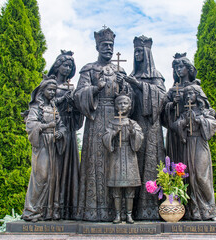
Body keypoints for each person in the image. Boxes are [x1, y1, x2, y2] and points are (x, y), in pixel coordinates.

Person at [74, 27, 131, 221]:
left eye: (111, 45)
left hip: (117, 120)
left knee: (117, 162)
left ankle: (120, 212)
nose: (108, 48)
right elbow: (78, 95)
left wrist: (124, 86)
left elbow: (129, 100)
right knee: (95, 161)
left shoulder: (120, 70)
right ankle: (94, 210)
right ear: (97, 46)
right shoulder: (89, 69)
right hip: (96, 118)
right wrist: (95, 88)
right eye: (104, 45)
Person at [121, 35, 166, 220]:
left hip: (151, 125)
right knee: (135, 162)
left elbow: (161, 97)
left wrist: (138, 85)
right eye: (136, 51)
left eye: (140, 51)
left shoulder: (156, 75)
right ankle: (132, 209)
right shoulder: (132, 75)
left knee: (151, 161)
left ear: (147, 53)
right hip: (136, 121)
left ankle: (152, 207)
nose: (137, 54)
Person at [170, 84, 216, 221]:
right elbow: (174, 126)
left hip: (200, 144)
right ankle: (194, 210)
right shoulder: (185, 112)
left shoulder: (206, 112)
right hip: (188, 144)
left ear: (198, 95)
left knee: (202, 176)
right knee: (190, 177)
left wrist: (198, 120)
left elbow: (212, 125)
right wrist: (184, 122)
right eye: (187, 95)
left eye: (191, 93)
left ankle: (209, 210)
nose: (188, 96)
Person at [22, 78, 67, 222]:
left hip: (52, 144)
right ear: (42, 91)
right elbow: (31, 126)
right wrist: (47, 126)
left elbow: (61, 126)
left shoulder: (54, 108)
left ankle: (48, 211)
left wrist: (60, 132)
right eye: (50, 89)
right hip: (42, 145)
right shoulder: (36, 108)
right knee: (41, 176)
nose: (52, 92)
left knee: (53, 177)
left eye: (54, 90)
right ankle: (32, 210)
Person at [47, 50, 83, 219]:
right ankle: (52, 207)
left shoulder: (71, 87)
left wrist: (75, 104)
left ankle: (68, 208)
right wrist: (63, 99)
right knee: (55, 168)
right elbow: (44, 103)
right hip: (53, 129)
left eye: (70, 66)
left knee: (69, 168)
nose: (68, 69)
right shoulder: (48, 83)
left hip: (68, 129)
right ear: (57, 65)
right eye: (65, 65)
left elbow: (77, 112)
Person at [102, 94, 144, 224]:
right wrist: (113, 133)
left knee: (130, 189)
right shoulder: (112, 123)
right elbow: (105, 138)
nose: (122, 106)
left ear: (130, 106)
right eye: (119, 103)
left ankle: (129, 215)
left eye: (125, 103)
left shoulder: (133, 123)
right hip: (116, 157)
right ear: (115, 106)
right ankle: (118, 215)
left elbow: (140, 138)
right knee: (116, 188)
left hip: (130, 156)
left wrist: (133, 133)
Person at [162, 53, 200, 164]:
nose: (178, 70)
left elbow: (203, 108)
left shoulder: (196, 87)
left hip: (190, 131)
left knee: (191, 161)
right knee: (176, 160)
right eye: (176, 68)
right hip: (174, 132)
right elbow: (163, 110)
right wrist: (173, 104)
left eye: (181, 66)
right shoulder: (173, 90)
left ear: (188, 68)